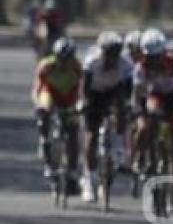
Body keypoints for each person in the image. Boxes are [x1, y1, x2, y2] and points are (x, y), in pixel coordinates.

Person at [131, 28, 173, 204]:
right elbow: (138, 94)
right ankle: (141, 157)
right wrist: (140, 114)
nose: (154, 61)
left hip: (172, 98)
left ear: (164, 53)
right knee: (144, 127)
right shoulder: (140, 67)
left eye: (157, 57)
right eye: (150, 57)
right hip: (152, 96)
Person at [80, 31, 134, 202]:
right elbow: (84, 88)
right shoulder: (92, 62)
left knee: (122, 108)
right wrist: (83, 103)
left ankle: (118, 146)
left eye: (115, 54)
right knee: (91, 134)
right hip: (94, 94)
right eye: (108, 54)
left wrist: (127, 105)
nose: (111, 58)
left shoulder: (125, 64)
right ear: (101, 51)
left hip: (113, 92)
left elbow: (128, 91)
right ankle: (89, 178)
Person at [32, 37, 83, 193]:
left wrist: (80, 106)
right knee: (44, 112)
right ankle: (46, 150)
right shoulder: (46, 66)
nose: (64, 62)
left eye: (68, 59)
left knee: (73, 131)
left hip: (70, 97)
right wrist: (40, 106)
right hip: (50, 94)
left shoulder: (78, 67)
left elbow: (83, 89)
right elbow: (38, 89)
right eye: (61, 58)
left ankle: (73, 172)